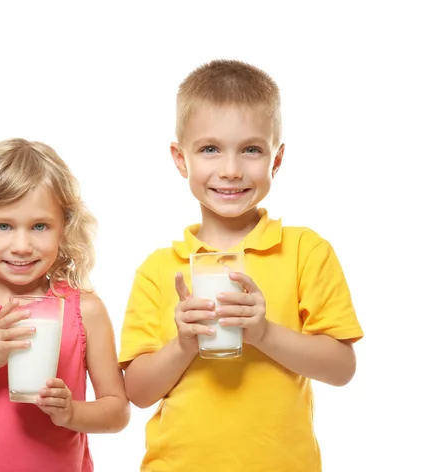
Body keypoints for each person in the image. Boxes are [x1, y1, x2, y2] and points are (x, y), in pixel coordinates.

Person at [119, 59, 364, 472]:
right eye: (210, 149)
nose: (230, 170)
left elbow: (342, 369)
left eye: (251, 150)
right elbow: (138, 392)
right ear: (181, 159)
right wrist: (183, 344)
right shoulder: (159, 269)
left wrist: (264, 333)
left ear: (277, 159)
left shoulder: (306, 250)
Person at [0, 138, 130, 472]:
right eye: (3, 226)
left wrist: (72, 412)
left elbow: (117, 412)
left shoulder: (84, 310)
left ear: (64, 229)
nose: (22, 246)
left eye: (40, 226)